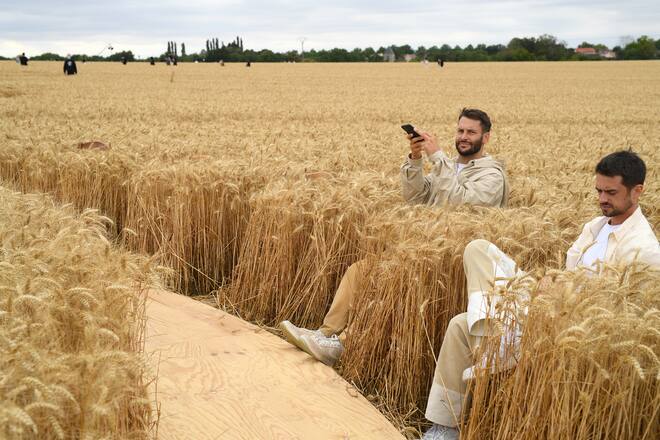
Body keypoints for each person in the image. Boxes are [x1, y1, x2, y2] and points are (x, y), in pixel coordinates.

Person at [421, 150, 659, 440]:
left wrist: (561, 299)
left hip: (571, 325)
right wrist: (551, 280)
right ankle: (447, 424)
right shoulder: (595, 227)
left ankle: (498, 339)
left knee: (460, 324)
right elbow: (572, 272)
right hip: (545, 304)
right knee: (478, 248)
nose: (602, 199)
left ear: (638, 191)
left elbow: (619, 319)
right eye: (598, 190)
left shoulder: (644, 249)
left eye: (611, 192)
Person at [279, 108, 509, 366]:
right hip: (419, 247)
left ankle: (342, 345)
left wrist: (438, 158)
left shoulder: (491, 175)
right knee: (360, 270)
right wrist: (415, 158)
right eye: (460, 130)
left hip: (447, 263)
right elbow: (415, 197)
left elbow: (461, 204)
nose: (463, 136)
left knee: (390, 284)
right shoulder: (449, 167)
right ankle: (325, 334)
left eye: (471, 132)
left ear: (486, 138)